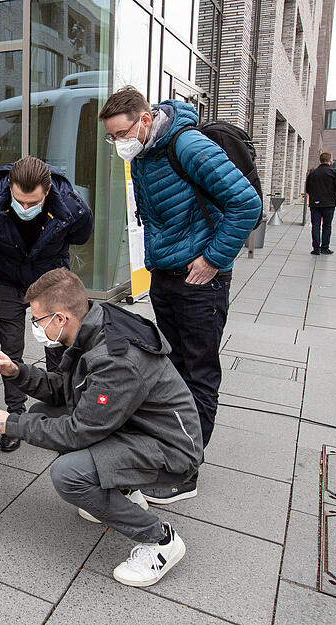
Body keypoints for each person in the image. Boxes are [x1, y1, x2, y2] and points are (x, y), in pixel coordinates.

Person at [0, 268, 203, 587]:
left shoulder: (114, 358)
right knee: (45, 411)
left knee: (68, 475)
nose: (35, 327)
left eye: (38, 319)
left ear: (60, 318)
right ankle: (123, 490)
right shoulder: (93, 324)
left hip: (170, 450)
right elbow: (67, 391)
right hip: (136, 427)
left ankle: (160, 541)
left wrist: (11, 423)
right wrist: (17, 372)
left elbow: (79, 431)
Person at [97, 87, 259, 504]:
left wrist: (212, 260)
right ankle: (172, 449)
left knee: (199, 372)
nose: (118, 143)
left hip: (199, 280)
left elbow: (245, 203)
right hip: (167, 277)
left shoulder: (187, 145)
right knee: (174, 370)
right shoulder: (146, 154)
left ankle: (186, 470)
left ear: (145, 120)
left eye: (121, 133)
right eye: (111, 137)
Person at [0, 156, 93, 452]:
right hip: (8, 277)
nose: (24, 208)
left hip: (50, 280)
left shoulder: (71, 206)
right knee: (10, 350)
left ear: (46, 192)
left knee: (58, 345)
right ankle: (15, 418)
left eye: (31, 202)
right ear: (9, 186)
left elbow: (82, 235)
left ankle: (61, 411)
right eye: (19, 201)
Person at [306, 152, 336, 253]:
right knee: (327, 226)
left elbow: (308, 188)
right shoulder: (334, 173)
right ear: (330, 160)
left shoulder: (313, 172)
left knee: (315, 225)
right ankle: (325, 248)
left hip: (315, 203)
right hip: (329, 203)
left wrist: (314, 197)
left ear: (320, 160)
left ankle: (316, 248)